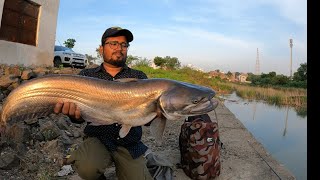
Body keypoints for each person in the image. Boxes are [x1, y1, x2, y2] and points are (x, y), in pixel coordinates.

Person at [54, 26, 153, 180]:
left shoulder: (139, 77)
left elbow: (147, 121)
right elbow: (79, 118)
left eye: (124, 45)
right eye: (113, 43)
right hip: (98, 138)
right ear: (101, 48)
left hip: (129, 143)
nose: (119, 48)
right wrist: (74, 115)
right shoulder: (86, 76)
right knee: (87, 168)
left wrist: (157, 111)